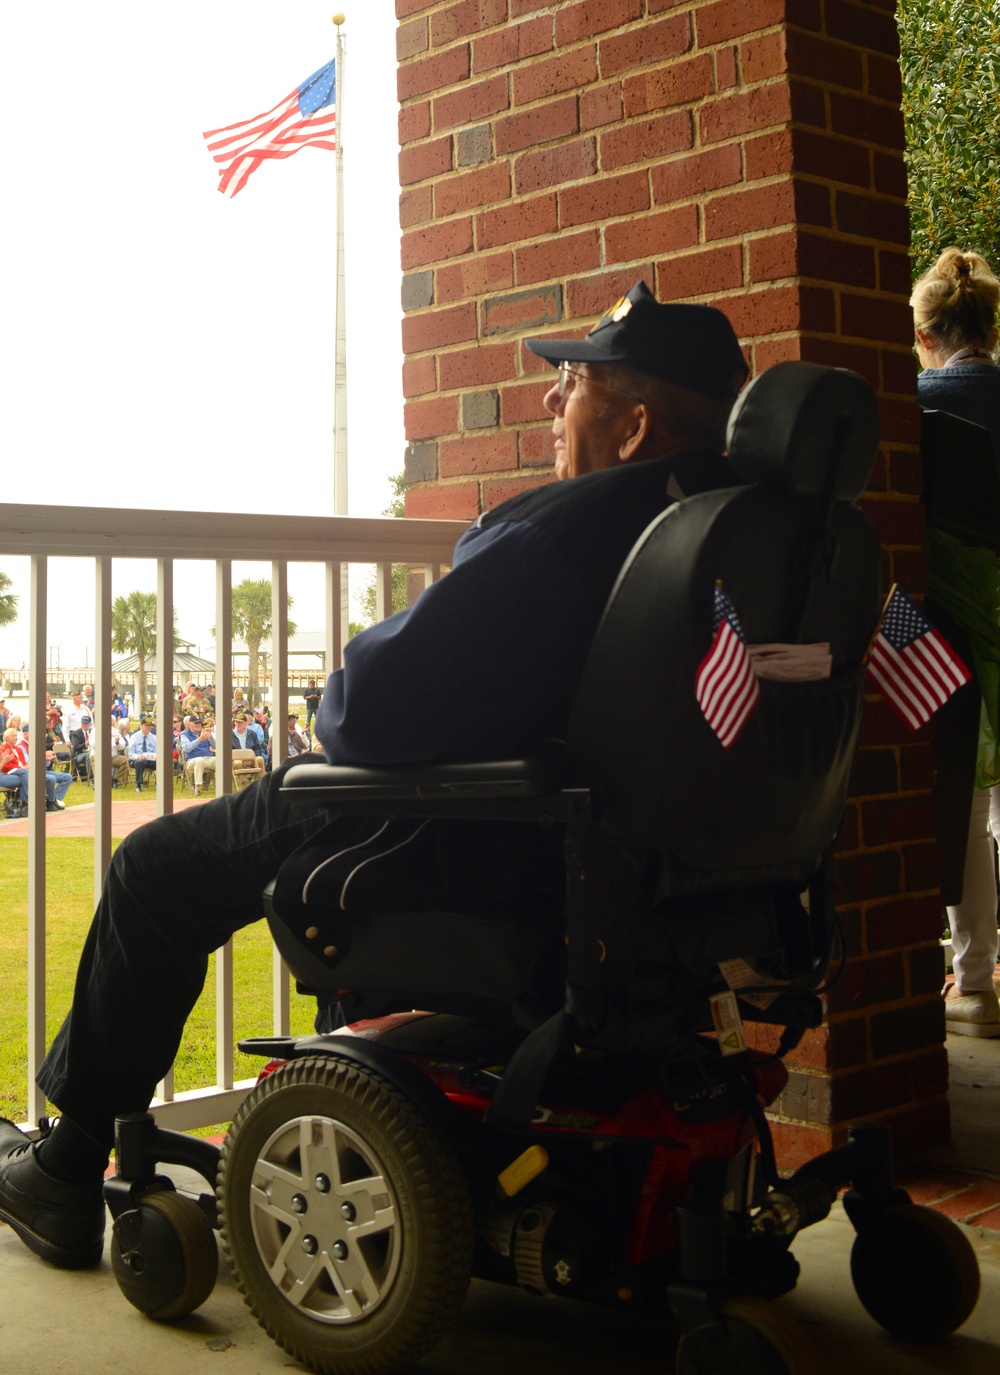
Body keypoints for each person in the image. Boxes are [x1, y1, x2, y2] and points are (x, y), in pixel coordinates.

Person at [0, 280, 748, 1270]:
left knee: (153, 869)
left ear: (634, 422)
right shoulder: (754, 532)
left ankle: (64, 1168)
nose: (548, 403)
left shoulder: (572, 532)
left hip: (447, 831)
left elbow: (365, 709)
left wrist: (342, 690)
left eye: (571, 384)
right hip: (675, 877)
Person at [912, 248, 1000, 1035]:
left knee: (971, 800)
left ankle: (973, 984)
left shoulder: (917, 413)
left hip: (952, 643)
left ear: (925, 332)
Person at [179, 714, 216, 795]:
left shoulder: (204, 732)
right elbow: (186, 749)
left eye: (200, 723)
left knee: (220, 760)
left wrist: (211, 737)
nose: (198, 725)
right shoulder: (184, 734)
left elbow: (216, 746)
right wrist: (200, 739)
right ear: (190, 724)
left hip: (207, 758)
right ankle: (198, 787)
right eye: (196, 723)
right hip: (192, 760)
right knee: (199, 760)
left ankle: (222, 785)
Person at [128, 716, 157, 791]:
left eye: (150, 725)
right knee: (139, 763)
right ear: (141, 726)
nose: (148, 727)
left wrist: (156, 756)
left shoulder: (153, 738)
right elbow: (130, 754)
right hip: (137, 760)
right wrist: (138, 756)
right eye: (146, 725)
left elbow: (156, 751)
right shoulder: (134, 737)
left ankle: (160, 783)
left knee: (161, 763)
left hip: (150, 759)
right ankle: (139, 785)